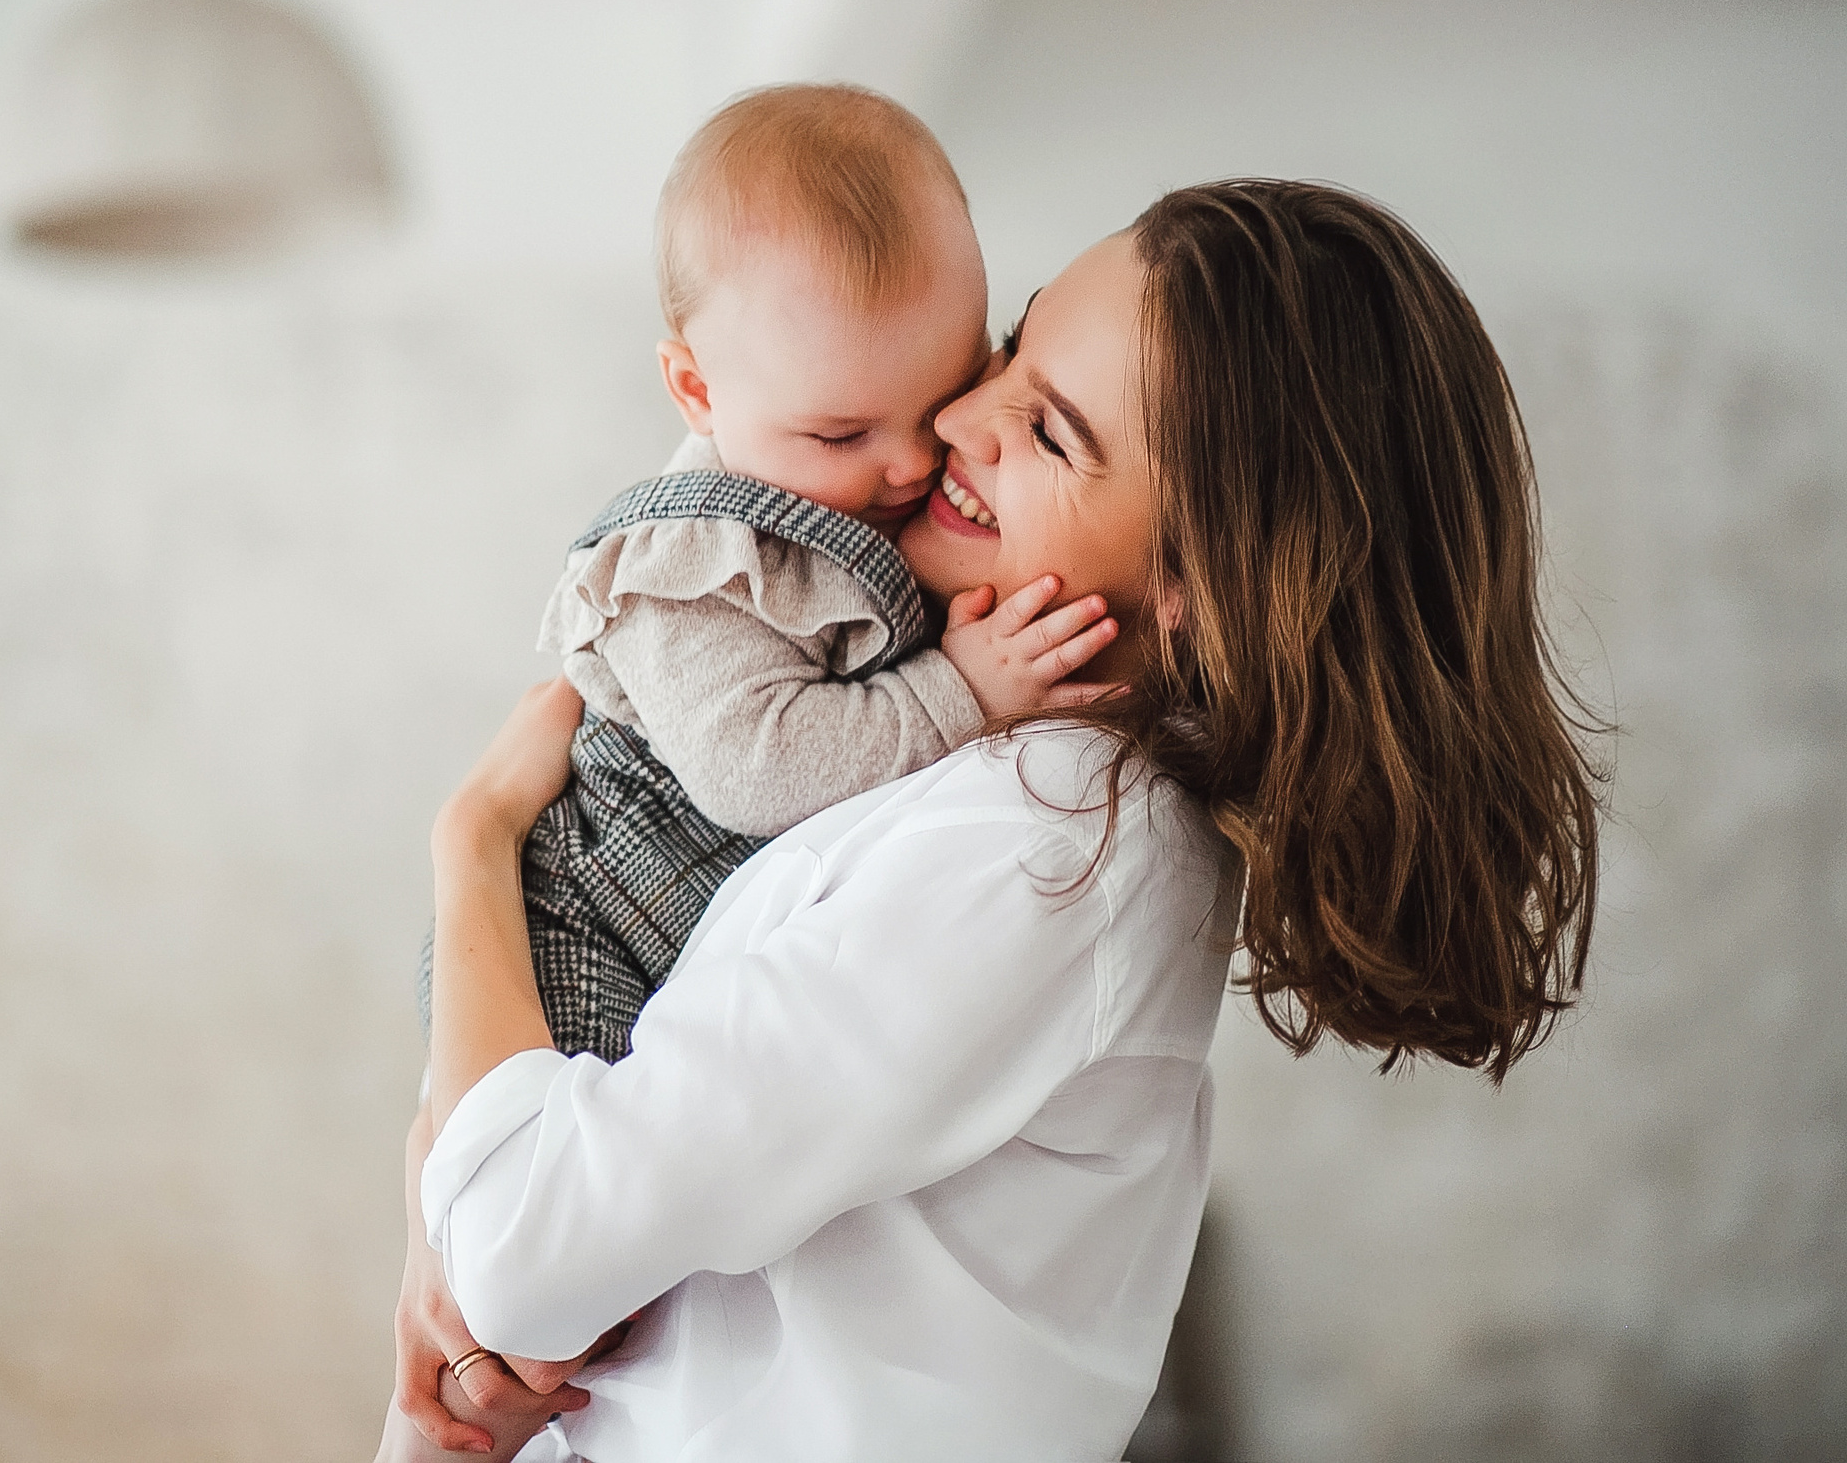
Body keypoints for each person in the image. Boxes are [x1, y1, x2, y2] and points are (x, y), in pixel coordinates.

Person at [394, 181, 1603, 1460]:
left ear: (1202, 582)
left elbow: (523, 1249)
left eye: (1050, 429)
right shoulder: (979, 765)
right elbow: (547, 1206)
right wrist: (448, 1208)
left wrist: (471, 845)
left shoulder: (1060, 840)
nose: (954, 415)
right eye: (1013, 346)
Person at [379, 84, 1117, 1461]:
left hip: (655, 924)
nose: (912, 462)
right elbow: (761, 770)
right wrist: (965, 686)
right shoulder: (694, 565)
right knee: (523, 1286)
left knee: (543, 1262)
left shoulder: (1070, 814)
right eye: (844, 436)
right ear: (698, 390)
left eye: (947, 384)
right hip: (588, 916)